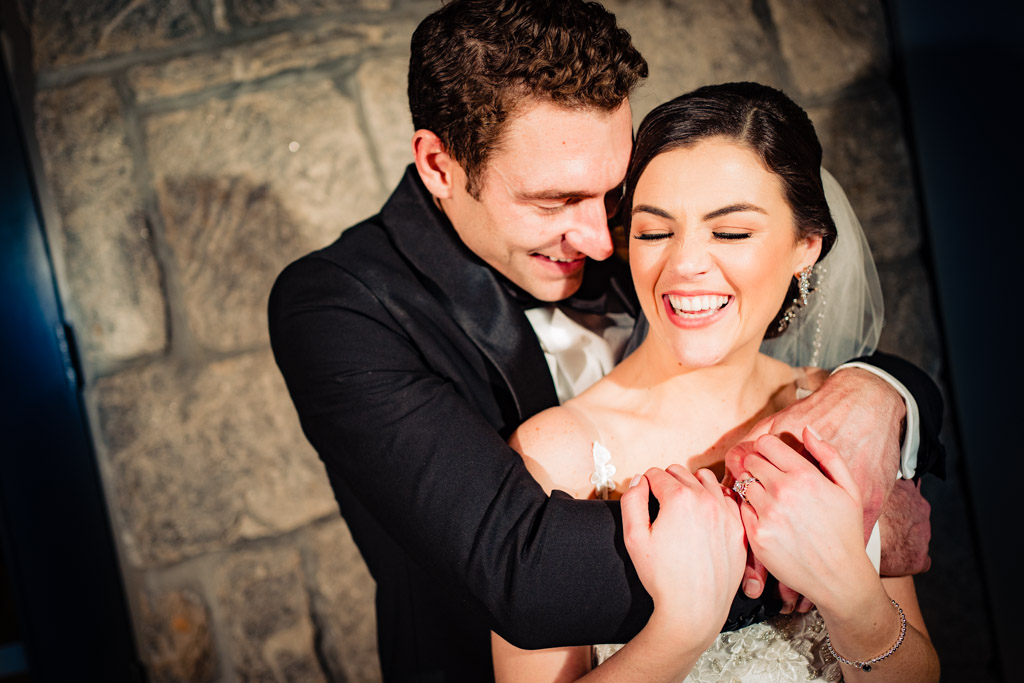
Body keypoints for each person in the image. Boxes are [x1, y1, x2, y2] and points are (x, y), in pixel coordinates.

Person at [268, 1, 944, 680]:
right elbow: (524, 569)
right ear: (439, 164)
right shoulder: (338, 307)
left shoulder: (646, 235)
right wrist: (841, 540)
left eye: (614, 194)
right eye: (553, 202)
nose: (601, 240)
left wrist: (884, 392)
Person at [491, 82, 940, 681]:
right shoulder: (555, 455)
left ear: (806, 245)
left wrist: (854, 597)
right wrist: (681, 630)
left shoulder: (847, 423)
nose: (684, 265)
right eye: (654, 232)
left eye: (729, 232)